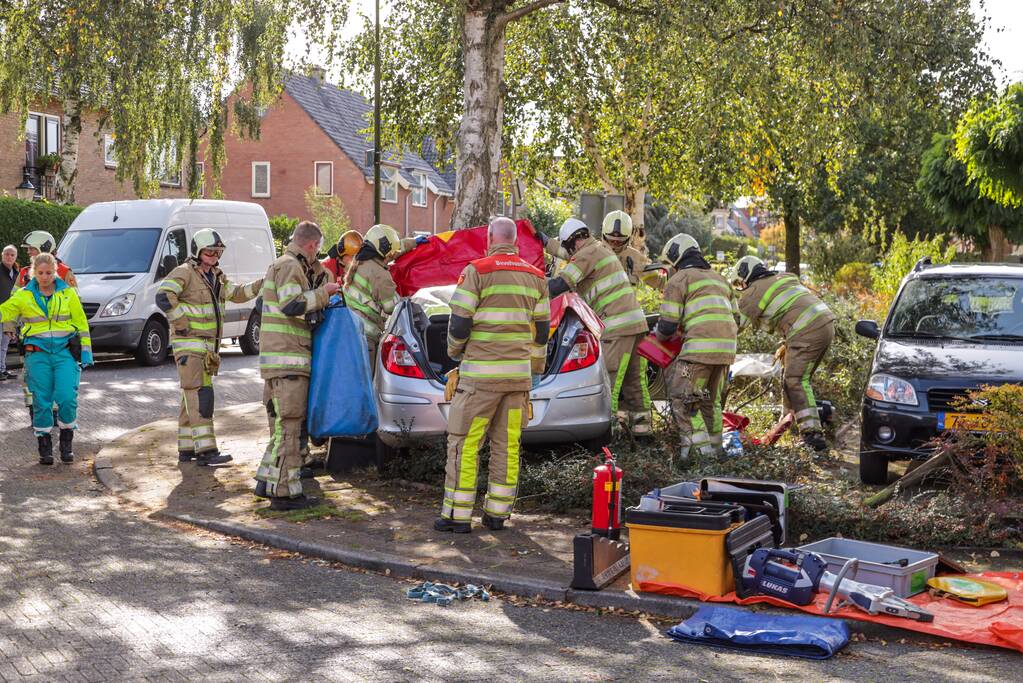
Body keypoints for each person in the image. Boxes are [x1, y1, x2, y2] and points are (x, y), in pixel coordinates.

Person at [436, 217, 550, 533]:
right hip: (517, 381)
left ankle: (457, 517)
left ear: (490, 238)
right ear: (515, 242)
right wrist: (534, 371)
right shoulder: (536, 277)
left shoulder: (477, 272)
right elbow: (541, 334)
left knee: (464, 443)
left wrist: (454, 352)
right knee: (507, 445)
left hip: (480, 380)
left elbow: (458, 325)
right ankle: (497, 514)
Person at [156, 229, 263, 465]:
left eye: (217, 252)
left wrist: (261, 285)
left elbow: (236, 293)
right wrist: (182, 322)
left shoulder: (216, 276)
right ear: (197, 252)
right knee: (201, 395)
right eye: (209, 252)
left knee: (190, 396)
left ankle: (187, 449)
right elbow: (163, 296)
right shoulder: (184, 272)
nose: (214, 256)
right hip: (190, 345)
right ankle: (207, 451)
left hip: (206, 348)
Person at [254, 221, 339, 511]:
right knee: (290, 428)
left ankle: (267, 481)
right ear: (313, 245)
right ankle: (285, 493)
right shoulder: (289, 266)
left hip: (280, 362)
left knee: (281, 429)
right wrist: (325, 293)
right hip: (289, 362)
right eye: (317, 249)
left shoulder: (286, 265)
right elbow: (292, 305)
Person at [547, 218, 651, 435]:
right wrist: (544, 241)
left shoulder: (587, 254)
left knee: (608, 381)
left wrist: (528, 287)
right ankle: (643, 433)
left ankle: (607, 435)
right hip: (636, 324)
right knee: (635, 382)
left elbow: (560, 285)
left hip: (617, 328)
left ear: (574, 241)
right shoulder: (598, 249)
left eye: (568, 246)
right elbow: (568, 255)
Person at [733, 256, 835, 451]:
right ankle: (787, 421)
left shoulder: (754, 291)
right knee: (792, 377)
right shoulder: (784, 278)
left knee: (795, 380)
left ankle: (812, 436)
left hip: (806, 330)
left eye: (740, 283)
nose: (741, 287)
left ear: (746, 276)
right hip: (825, 324)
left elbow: (734, 327)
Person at [0, 253, 92, 464]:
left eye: (49, 272)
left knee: (67, 397)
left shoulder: (68, 294)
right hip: (37, 355)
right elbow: (4, 311)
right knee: (41, 401)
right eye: (40, 273)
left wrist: (86, 352)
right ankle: (44, 445)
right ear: (34, 272)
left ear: (55, 272)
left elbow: (81, 323)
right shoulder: (24, 295)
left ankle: (67, 440)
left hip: (64, 354)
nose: (44, 277)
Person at [654, 234, 737, 460]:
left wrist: (655, 337)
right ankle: (717, 450)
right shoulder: (720, 279)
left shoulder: (679, 280)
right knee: (711, 400)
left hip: (698, 353)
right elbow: (737, 319)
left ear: (675, 260)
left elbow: (668, 326)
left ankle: (700, 457)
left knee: (684, 398)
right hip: (725, 352)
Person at [343, 224, 426, 370]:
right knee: (366, 385)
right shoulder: (380, 274)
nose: (392, 256)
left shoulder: (360, 259)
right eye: (390, 254)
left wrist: (412, 242)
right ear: (383, 251)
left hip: (348, 331)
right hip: (366, 338)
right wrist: (411, 301)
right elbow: (392, 307)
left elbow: (392, 249)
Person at [599, 210, 666, 291]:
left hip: (626, 303)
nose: (615, 243)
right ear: (603, 235)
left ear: (629, 237)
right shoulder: (592, 253)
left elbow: (659, 282)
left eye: (620, 241)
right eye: (611, 240)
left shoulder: (634, 257)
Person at [1, 245, 18, 381]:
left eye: (12, 255)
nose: (9, 257)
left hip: (10, 313)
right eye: (7, 254)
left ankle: (2, 370)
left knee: (5, 343)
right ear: (2, 255)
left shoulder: (16, 273)